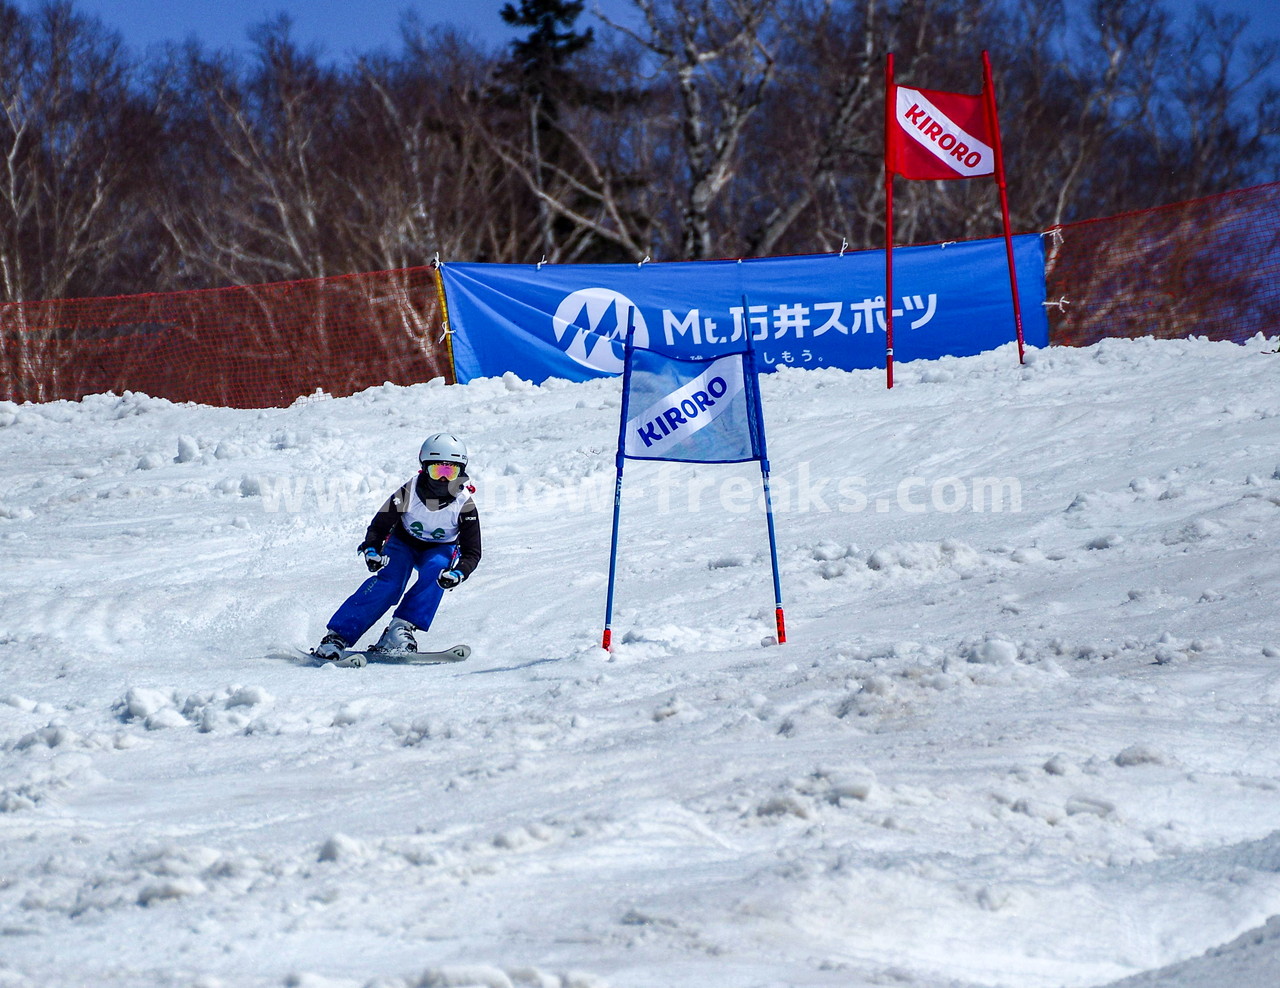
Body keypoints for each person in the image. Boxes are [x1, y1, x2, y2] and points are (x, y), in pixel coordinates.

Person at [313, 433, 481, 664]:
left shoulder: (465, 504)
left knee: (437, 571)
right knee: (389, 583)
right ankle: (337, 637)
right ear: (424, 468)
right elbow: (379, 525)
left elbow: (472, 550)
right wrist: (372, 550)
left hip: (440, 548)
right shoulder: (408, 492)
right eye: (437, 471)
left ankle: (399, 630)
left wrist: (458, 572)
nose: (443, 479)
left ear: (461, 471)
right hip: (403, 543)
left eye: (449, 472)